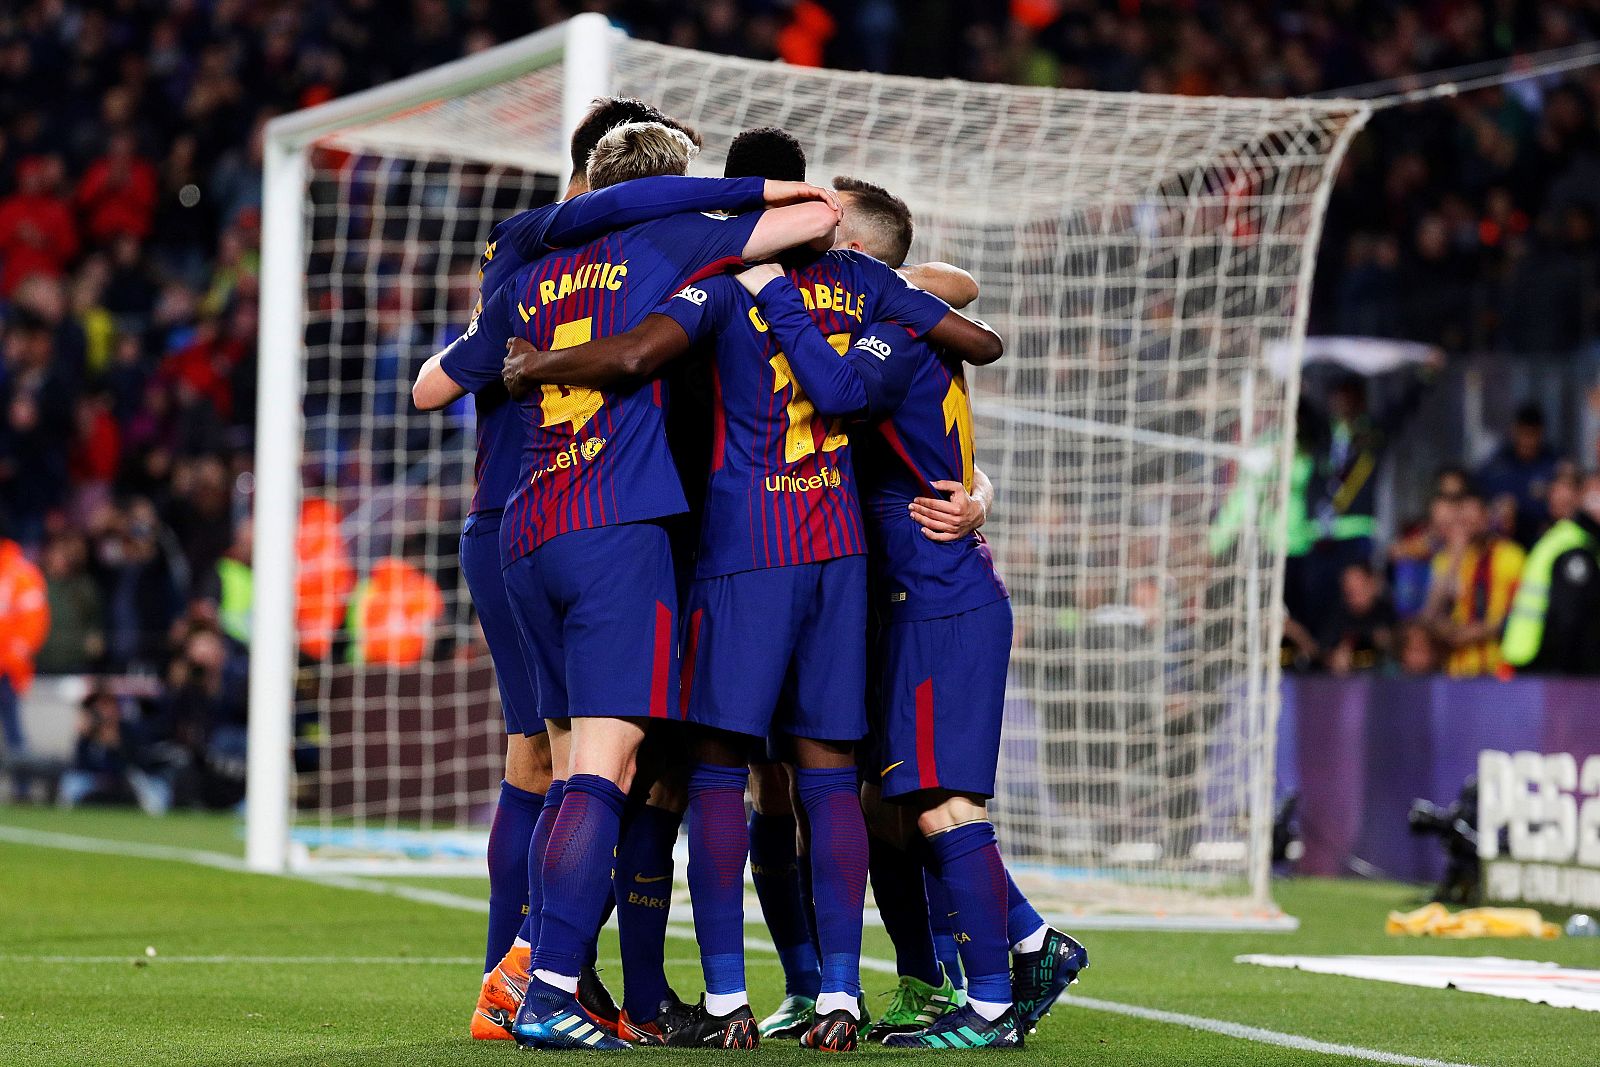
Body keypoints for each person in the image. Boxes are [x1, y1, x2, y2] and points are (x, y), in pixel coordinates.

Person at [501, 129, 1000, 1051]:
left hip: (728, 549)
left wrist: (539, 365)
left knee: (701, 776)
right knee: (831, 781)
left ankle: (719, 996)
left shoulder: (718, 280)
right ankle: (841, 992)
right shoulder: (875, 291)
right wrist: (976, 487)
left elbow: (637, 351)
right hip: (842, 554)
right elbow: (970, 325)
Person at [412, 95, 839, 1044]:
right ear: (668, 192)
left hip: (525, 530)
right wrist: (757, 195)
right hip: (621, 530)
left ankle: (533, 975)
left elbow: (429, 384)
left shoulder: (525, 267)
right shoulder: (672, 248)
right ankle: (552, 987)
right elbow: (818, 219)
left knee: (558, 766)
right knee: (610, 771)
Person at [732, 176, 1086, 1049]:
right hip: (907, 589)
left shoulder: (889, 329)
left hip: (936, 593)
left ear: (844, 241)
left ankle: (992, 1000)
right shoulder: (897, 310)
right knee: (897, 799)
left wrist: (774, 294)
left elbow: (845, 392)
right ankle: (1031, 942)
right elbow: (957, 300)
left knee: (937, 803)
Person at [1501, 469, 1600, 674]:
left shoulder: (1561, 536)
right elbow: (1568, 620)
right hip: (1553, 668)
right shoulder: (1576, 547)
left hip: (1531, 657)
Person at [1422, 488, 1526, 677]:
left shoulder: (1511, 556)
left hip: (1500, 669)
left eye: (1473, 518)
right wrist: (1455, 559)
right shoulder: (1447, 559)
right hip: (1457, 671)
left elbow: (1518, 616)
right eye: (1463, 520)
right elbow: (1430, 615)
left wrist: (1473, 633)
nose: (1469, 525)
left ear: (1486, 517)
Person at [1475, 403, 1562, 548]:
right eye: (1523, 434)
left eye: (1532, 435)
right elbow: (1477, 501)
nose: (1527, 441)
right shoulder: (1496, 465)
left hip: (1542, 541)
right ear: (1514, 431)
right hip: (1500, 544)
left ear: (1540, 434)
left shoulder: (1553, 465)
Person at [0, 528, 49, 777]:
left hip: (6, 668)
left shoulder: (20, 573)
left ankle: (22, 784)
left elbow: (33, 621)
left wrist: (15, 656)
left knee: (13, 730)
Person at [1317, 562, 1397, 674]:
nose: (1353, 591)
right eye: (1349, 587)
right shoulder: (1336, 616)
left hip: (1383, 680)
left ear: (1372, 583)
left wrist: (1388, 643)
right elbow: (1322, 652)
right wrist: (1334, 659)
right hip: (1344, 682)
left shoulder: (1388, 613)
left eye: (1359, 585)